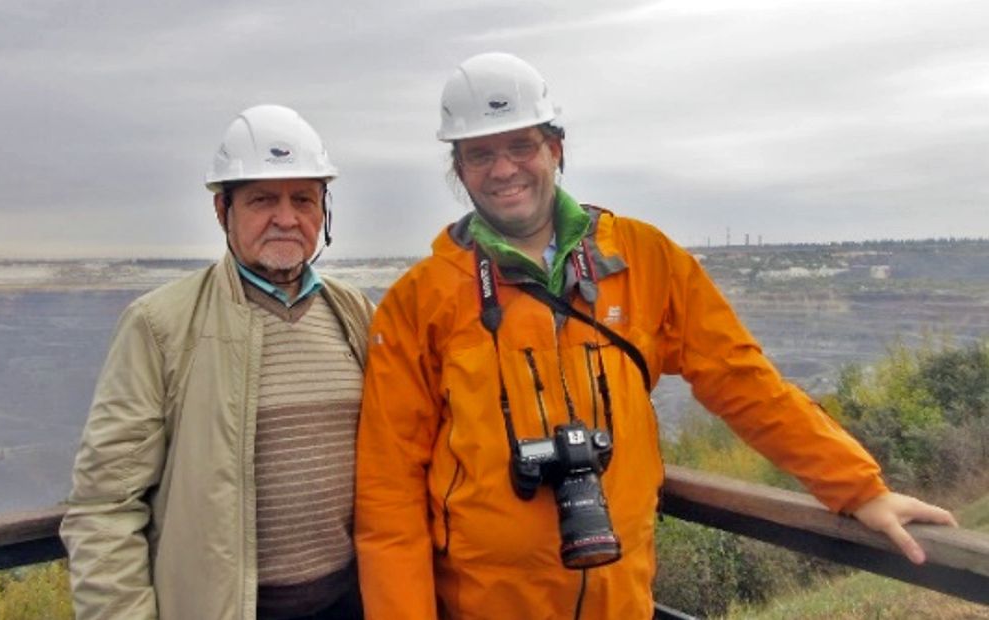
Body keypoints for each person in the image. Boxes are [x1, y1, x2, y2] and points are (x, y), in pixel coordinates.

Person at [353, 53, 957, 619]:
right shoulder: (419, 301)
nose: (504, 169)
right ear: (459, 169)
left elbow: (743, 380)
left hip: (621, 595)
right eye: (480, 154)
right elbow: (389, 495)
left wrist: (857, 488)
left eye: (521, 145)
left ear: (555, 148)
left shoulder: (644, 259)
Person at [60, 104, 373, 620]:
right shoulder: (160, 325)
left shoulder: (355, 313)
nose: (286, 218)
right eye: (262, 200)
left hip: (350, 603)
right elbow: (105, 506)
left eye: (303, 199)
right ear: (222, 210)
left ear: (323, 211)